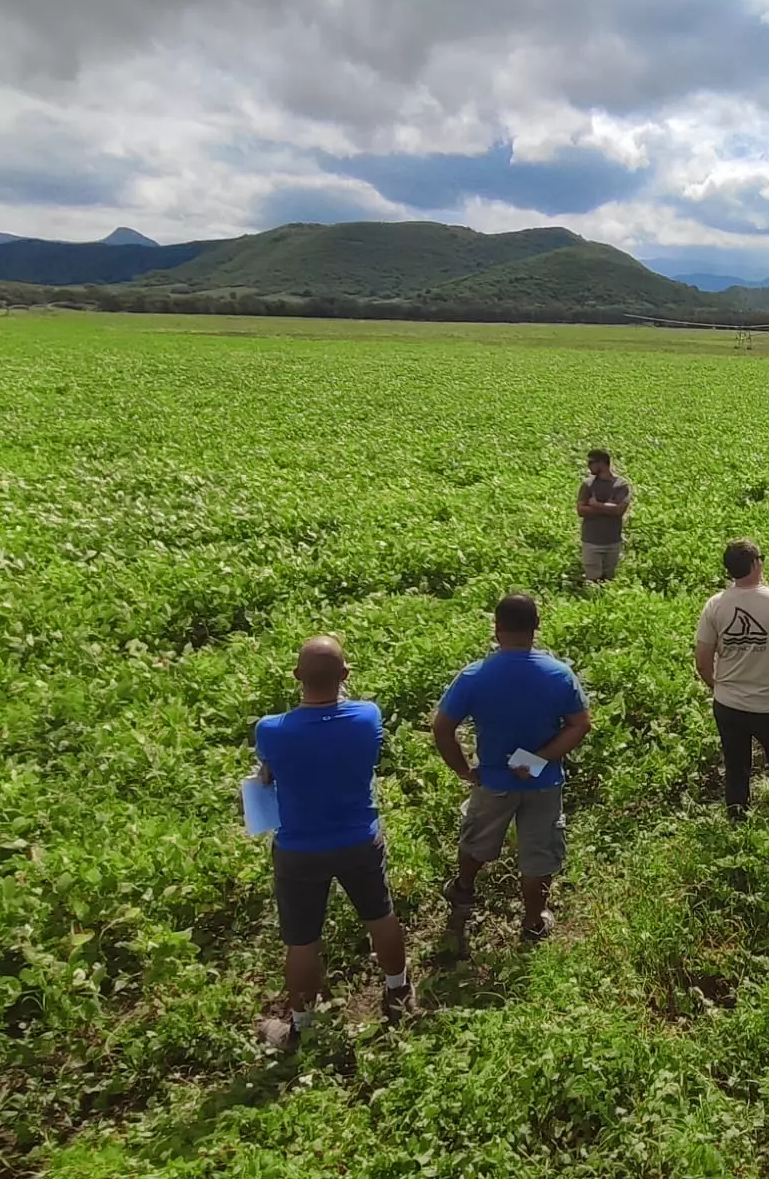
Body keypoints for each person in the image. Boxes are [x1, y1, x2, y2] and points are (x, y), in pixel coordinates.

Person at [254, 637, 413, 1050]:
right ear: (346, 676)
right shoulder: (366, 717)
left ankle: (303, 1026)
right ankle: (399, 991)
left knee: (302, 940)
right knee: (380, 915)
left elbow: (266, 777)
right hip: (358, 838)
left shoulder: (271, 730)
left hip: (299, 848)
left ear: (296, 677)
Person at [437, 593, 592, 958]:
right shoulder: (558, 674)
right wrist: (540, 757)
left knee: (476, 840)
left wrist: (463, 769)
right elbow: (580, 725)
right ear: (536, 627)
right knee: (538, 854)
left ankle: (463, 890)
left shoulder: (476, 675)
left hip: (493, 780)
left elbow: (442, 728)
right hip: (544, 781)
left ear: (497, 628)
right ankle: (534, 919)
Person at [694, 539, 769, 819]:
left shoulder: (715, 606)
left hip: (728, 705)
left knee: (735, 766)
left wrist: (718, 687)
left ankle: (737, 815)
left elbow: (702, 661)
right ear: (757, 564)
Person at [576, 448, 631, 582]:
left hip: (612, 540)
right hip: (591, 541)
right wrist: (607, 507)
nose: (588, 466)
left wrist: (595, 505)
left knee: (609, 578)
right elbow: (581, 510)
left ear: (601, 463)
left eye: (591, 463)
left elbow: (619, 510)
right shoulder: (587, 484)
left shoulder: (621, 485)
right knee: (592, 579)